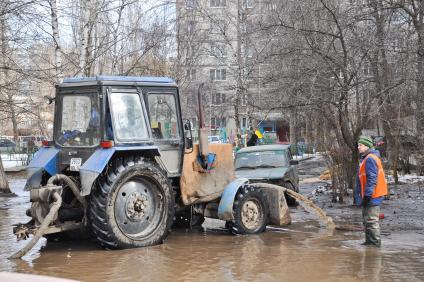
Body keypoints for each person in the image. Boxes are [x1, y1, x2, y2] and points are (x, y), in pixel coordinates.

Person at [354, 136, 388, 247]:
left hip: (373, 195)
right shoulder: (366, 158)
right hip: (370, 195)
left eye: (361, 145)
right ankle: (369, 242)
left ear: (367, 146)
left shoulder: (370, 159)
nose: (358, 147)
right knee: (367, 221)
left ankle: (375, 245)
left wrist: (367, 196)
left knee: (372, 222)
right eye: (358, 145)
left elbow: (372, 179)